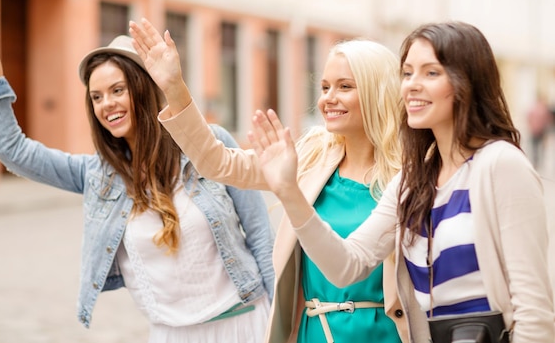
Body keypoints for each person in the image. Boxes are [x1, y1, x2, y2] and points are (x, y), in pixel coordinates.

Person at [0, 0, 275, 343]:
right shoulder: (97, 174)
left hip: (246, 323)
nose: (106, 104)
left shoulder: (210, 144)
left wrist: (284, 322)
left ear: (141, 89)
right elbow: (12, 150)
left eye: (117, 90)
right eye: (96, 97)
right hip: (171, 334)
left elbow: (261, 237)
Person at [246, 22, 555, 342]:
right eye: (407, 73)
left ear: (468, 83)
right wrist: (289, 192)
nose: (411, 85)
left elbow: (533, 311)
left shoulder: (500, 165)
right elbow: (347, 266)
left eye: (430, 73)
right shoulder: (412, 182)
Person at [129, 19, 407, 343]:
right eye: (325, 87)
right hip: (314, 332)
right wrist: (175, 88)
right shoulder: (311, 155)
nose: (329, 98)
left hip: (385, 334)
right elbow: (216, 162)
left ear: (377, 92)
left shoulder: (409, 174)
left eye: (345, 87)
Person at [527, 95, 553, 169]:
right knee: (541, 147)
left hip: (534, 130)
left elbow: (529, 117)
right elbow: (548, 120)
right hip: (541, 131)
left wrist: (531, 126)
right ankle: (540, 161)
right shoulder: (544, 109)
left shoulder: (533, 108)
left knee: (534, 147)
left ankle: (536, 162)